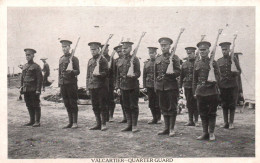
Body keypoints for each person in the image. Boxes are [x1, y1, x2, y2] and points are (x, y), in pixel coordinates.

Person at [193, 41, 221, 141]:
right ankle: (205, 132)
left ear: (208, 50)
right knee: (202, 113)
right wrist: (194, 92)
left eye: (204, 50)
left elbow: (219, 77)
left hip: (212, 92)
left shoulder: (213, 62)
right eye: (200, 50)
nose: (202, 52)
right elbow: (194, 79)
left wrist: (212, 75)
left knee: (212, 113)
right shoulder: (197, 63)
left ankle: (212, 133)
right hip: (200, 92)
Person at [155, 37, 181, 137]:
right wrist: (156, 86)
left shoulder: (175, 58)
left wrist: (171, 73)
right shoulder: (158, 58)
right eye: (162, 45)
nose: (163, 47)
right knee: (163, 107)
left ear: (170, 46)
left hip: (171, 86)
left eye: (165, 45)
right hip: (160, 87)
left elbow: (178, 71)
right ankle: (166, 128)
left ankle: (172, 128)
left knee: (172, 107)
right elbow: (156, 74)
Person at [116, 41, 141, 132]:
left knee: (133, 106)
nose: (124, 50)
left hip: (133, 86)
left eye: (126, 48)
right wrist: (117, 87)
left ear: (130, 49)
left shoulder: (135, 59)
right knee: (126, 106)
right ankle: (129, 125)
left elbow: (138, 73)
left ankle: (134, 125)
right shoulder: (119, 60)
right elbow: (117, 75)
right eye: (123, 48)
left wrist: (133, 75)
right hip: (123, 86)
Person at [217, 42, 241, 129]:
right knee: (224, 104)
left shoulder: (234, 59)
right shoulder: (219, 61)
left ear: (229, 49)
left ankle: (231, 122)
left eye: (226, 49)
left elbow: (239, 71)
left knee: (232, 104)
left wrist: (235, 72)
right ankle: (225, 122)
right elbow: (217, 74)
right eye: (223, 50)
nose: (224, 51)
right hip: (223, 85)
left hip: (232, 85)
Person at [87, 42, 109, 131]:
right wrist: (88, 87)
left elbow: (107, 73)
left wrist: (99, 74)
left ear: (99, 49)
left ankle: (103, 124)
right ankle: (98, 124)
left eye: (94, 49)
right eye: (91, 50)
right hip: (92, 87)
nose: (93, 51)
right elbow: (88, 75)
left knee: (102, 105)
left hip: (101, 87)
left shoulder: (103, 60)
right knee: (94, 106)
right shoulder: (90, 61)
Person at [59, 40, 80, 129]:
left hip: (71, 84)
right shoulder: (61, 59)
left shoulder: (74, 59)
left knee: (72, 103)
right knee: (67, 103)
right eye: (63, 47)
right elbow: (59, 73)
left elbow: (78, 71)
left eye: (66, 47)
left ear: (69, 48)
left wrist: (72, 71)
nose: (64, 49)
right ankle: (70, 122)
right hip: (63, 84)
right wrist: (59, 84)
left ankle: (75, 122)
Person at [20, 48, 43, 127]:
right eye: (26, 55)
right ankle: (31, 120)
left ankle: (37, 121)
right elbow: (22, 78)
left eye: (29, 55)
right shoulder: (25, 66)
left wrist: (38, 90)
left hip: (33, 89)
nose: (27, 56)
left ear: (33, 56)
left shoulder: (36, 66)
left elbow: (40, 79)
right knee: (28, 105)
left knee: (36, 104)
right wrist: (21, 87)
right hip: (26, 89)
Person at [180, 47, 199, 126]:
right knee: (189, 103)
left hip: (197, 86)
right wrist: (180, 86)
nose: (189, 55)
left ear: (194, 53)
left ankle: (196, 120)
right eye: (188, 53)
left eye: (191, 53)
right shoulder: (184, 64)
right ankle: (190, 120)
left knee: (196, 103)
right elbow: (181, 76)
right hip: (187, 86)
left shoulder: (198, 62)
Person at [143, 47, 161, 124]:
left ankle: (159, 118)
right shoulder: (146, 63)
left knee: (158, 102)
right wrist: (144, 86)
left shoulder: (159, 62)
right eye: (150, 53)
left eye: (153, 53)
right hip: (149, 85)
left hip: (157, 85)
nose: (151, 55)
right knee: (151, 103)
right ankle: (154, 118)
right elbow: (144, 75)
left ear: (155, 53)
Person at [101, 44, 116, 122]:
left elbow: (113, 72)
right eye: (103, 49)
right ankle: (105, 116)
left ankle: (111, 116)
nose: (105, 50)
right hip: (102, 82)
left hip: (109, 82)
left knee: (110, 99)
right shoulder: (100, 59)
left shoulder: (111, 58)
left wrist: (113, 83)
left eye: (106, 49)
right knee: (103, 99)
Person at [114, 45, 127, 123]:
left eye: (120, 51)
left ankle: (131, 118)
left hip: (128, 83)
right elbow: (115, 74)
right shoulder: (116, 61)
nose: (119, 53)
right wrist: (116, 86)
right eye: (118, 52)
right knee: (122, 101)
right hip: (120, 84)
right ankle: (125, 117)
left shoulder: (128, 59)